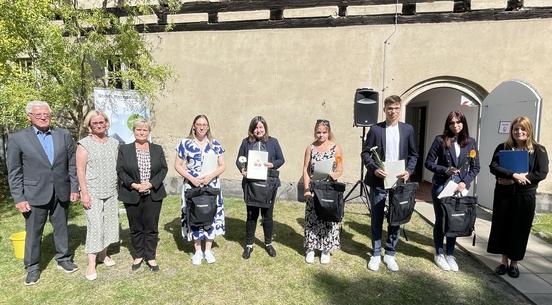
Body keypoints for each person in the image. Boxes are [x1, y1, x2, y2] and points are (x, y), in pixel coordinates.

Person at [6, 101, 79, 285]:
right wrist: (19, 197)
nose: (43, 117)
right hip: (34, 194)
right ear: (29, 116)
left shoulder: (63, 134)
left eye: (46, 114)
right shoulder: (18, 138)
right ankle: (32, 267)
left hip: (61, 190)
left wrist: (74, 187)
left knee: (61, 227)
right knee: (34, 233)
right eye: (38, 115)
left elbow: (71, 164)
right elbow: (14, 171)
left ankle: (63, 259)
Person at [361, 95, 418, 272]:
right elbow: (365, 154)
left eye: (396, 108)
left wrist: (408, 171)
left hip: (399, 181)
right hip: (379, 180)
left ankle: (390, 253)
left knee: (396, 218)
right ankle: (376, 253)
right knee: (376, 217)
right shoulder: (376, 129)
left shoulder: (408, 129)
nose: (393, 111)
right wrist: (373, 169)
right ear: (384, 110)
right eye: (390, 108)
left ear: (400, 109)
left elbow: (414, 154)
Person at [487, 116, 548, 278]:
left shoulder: (539, 150)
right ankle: (503, 261)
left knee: (519, 229)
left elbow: (541, 173)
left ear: (529, 130)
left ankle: (514, 263)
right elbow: (493, 166)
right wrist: (513, 175)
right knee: (503, 226)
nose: (519, 131)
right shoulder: (503, 147)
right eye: (515, 129)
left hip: (525, 196)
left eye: (522, 128)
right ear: (511, 131)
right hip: (504, 195)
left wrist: (521, 178)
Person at [424, 111, 480, 272]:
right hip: (442, 186)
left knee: (454, 220)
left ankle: (450, 254)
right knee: (441, 219)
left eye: (458, 122)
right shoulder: (440, 140)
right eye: (452, 123)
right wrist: (445, 170)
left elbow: (476, 167)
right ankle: (439, 253)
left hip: (459, 188)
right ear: (448, 125)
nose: (455, 125)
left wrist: (464, 181)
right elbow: (428, 162)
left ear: (463, 123)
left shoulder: (471, 143)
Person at [117, 119, 167, 272]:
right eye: (138, 129)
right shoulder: (125, 149)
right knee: (136, 226)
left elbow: (163, 169)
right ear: (134, 131)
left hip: (153, 193)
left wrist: (151, 184)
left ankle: (150, 256)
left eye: (145, 130)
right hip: (132, 193)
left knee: (151, 226)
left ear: (149, 132)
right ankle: (139, 254)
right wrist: (134, 185)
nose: (141, 132)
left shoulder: (157, 149)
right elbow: (121, 171)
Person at [175, 115, 226, 265]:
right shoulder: (185, 143)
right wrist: (191, 178)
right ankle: (198, 251)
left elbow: (222, 165)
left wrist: (210, 176)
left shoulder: (215, 144)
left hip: (212, 186)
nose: (202, 127)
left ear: (208, 127)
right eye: (199, 124)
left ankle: (208, 250)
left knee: (210, 215)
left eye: (204, 124)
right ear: (194, 126)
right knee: (195, 215)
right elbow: (177, 165)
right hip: (193, 186)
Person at [76, 110, 119, 280]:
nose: (100, 125)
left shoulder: (114, 143)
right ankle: (91, 263)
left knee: (109, 223)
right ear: (90, 125)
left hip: (111, 190)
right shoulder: (84, 144)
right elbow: (80, 170)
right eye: (95, 123)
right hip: (92, 191)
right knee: (95, 226)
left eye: (102, 122)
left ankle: (103, 254)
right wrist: (84, 193)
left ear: (107, 123)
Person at [235, 116, 285, 259]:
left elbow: (281, 159)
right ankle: (249, 245)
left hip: (268, 185)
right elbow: (239, 160)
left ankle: (268, 243)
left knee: (267, 216)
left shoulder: (273, 142)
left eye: (261, 127)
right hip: (251, 184)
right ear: (252, 129)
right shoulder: (246, 142)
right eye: (256, 127)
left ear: (265, 128)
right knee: (251, 215)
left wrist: (272, 164)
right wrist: (242, 169)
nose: (258, 130)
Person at [302, 119, 344, 264]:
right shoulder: (310, 148)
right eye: (318, 132)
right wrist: (306, 188)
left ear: (328, 132)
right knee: (312, 218)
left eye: (324, 132)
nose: (321, 135)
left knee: (328, 217)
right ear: (315, 132)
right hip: (314, 189)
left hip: (329, 189)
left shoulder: (336, 148)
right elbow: (306, 169)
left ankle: (326, 249)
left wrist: (336, 175)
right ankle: (311, 248)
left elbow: (340, 167)